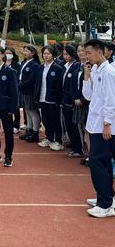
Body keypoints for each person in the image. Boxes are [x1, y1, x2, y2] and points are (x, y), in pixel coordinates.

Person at [82, 39, 115, 218]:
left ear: (100, 52)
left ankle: (105, 205)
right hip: (94, 123)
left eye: (89, 52)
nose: (87, 56)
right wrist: (87, 76)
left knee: (98, 163)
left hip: (104, 126)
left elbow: (111, 100)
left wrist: (107, 124)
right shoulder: (95, 69)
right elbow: (88, 95)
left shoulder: (109, 72)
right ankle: (108, 197)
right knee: (102, 163)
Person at [35, 45, 64, 151]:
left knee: (55, 120)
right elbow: (38, 83)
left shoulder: (58, 68)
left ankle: (58, 141)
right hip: (42, 98)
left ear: (53, 55)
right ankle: (49, 138)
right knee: (46, 120)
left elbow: (60, 86)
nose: (46, 55)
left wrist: (58, 99)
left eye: (48, 53)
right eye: (44, 53)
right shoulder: (41, 67)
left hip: (53, 99)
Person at [61, 45, 84, 158]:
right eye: (79, 51)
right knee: (69, 125)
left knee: (76, 126)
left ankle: (79, 149)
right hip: (66, 100)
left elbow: (76, 86)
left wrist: (75, 98)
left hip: (76, 101)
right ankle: (74, 147)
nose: (81, 53)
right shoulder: (69, 66)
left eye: (83, 51)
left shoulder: (78, 66)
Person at [18, 45, 41, 143]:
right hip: (23, 90)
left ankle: (35, 132)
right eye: (24, 51)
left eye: (27, 51)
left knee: (33, 111)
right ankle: (29, 130)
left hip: (30, 91)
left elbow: (31, 80)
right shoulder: (24, 62)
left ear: (33, 53)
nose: (25, 53)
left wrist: (20, 85)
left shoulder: (34, 65)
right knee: (27, 110)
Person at [4, 47, 22, 133]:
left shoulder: (17, 65)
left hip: (14, 88)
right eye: (6, 52)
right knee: (5, 108)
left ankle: (16, 125)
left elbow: (18, 77)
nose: (8, 54)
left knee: (15, 107)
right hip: (4, 89)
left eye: (10, 53)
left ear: (13, 54)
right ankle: (8, 125)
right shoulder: (2, 63)